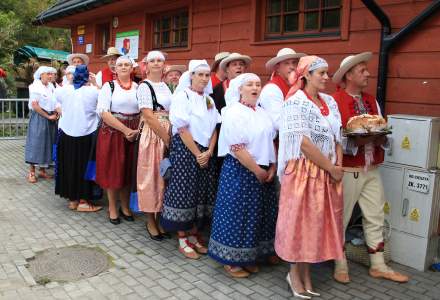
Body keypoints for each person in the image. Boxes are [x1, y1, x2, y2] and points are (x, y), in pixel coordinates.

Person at [332, 52, 409, 283]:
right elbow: (334, 138)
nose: (367, 73)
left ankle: (378, 264)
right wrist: (357, 142)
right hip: (348, 169)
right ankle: (339, 264)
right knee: (342, 218)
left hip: (372, 167)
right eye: (362, 70)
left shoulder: (370, 100)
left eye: (366, 69)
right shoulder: (334, 101)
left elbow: (381, 127)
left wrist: (379, 138)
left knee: (375, 215)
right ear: (348, 75)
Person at [275, 56, 345, 299]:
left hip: (326, 171)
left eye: (327, 72)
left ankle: (306, 275)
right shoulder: (295, 103)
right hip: (304, 172)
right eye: (321, 73)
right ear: (306, 75)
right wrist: (330, 167)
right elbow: (303, 143)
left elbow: (338, 136)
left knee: (314, 224)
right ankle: (294, 273)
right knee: (299, 222)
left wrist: (338, 164)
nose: (326, 77)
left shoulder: (329, 101)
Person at [208, 73, 278, 278]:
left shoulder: (262, 112)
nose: (255, 87)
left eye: (258, 84)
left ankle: (249, 257)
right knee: (237, 215)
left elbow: (270, 141)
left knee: (258, 215)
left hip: (263, 170)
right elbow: (237, 147)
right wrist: (257, 170)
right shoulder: (233, 112)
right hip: (241, 170)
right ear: (240, 89)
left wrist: (272, 166)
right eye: (250, 84)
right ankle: (232, 261)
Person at [160, 59, 220, 259]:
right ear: (191, 76)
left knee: (200, 193)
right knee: (184, 192)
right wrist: (198, 153)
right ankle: (182, 237)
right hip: (187, 151)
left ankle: (194, 234)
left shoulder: (208, 99)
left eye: (206, 75)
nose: (204, 78)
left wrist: (209, 151)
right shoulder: (182, 96)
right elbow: (182, 128)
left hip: (205, 152)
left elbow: (215, 127)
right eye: (200, 74)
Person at [96, 56, 139, 225]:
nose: (122, 67)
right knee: (113, 170)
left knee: (129, 170)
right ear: (115, 69)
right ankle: (113, 207)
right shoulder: (109, 86)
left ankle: (126, 206)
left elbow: (144, 109)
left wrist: (136, 130)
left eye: (126, 64)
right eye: (119, 64)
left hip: (134, 132)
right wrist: (125, 130)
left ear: (131, 68)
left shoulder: (138, 87)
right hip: (113, 132)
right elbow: (104, 113)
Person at [135, 51, 173, 240]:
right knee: (150, 176)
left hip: (168, 131)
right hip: (153, 134)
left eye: (160, 61)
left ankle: (161, 218)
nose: (157, 63)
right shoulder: (144, 86)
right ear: (147, 65)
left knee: (164, 177)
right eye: (153, 61)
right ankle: (151, 221)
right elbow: (149, 115)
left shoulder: (166, 86)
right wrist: (166, 138)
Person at [55, 65, 102, 212]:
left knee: (68, 165)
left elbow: (58, 102)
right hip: (86, 134)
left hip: (66, 133)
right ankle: (83, 201)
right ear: (87, 76)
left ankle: (72, 200)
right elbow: (102, 106)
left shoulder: (62, 90)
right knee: (84, 166)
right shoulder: (94, 91)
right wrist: (94, 84)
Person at [25, 66, 58, 183]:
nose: (50, 76)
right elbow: (35, 105)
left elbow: (55, 102)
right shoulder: (35, 87)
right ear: (41, 75)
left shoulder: (51, 87)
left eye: (51, 74)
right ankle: (31, 172)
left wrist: (55, 113)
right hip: (39, 117)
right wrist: (48, 116)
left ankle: (42, 170)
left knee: (47, 143)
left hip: (50, 117)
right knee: (36, 143)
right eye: (47, 74)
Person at [259, 48, 305, 129]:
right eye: (286, 63)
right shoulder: (271, 89)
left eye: (294, 63)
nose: (292, 67)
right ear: (278, 68)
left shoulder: (300, 84)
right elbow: (278, 123)